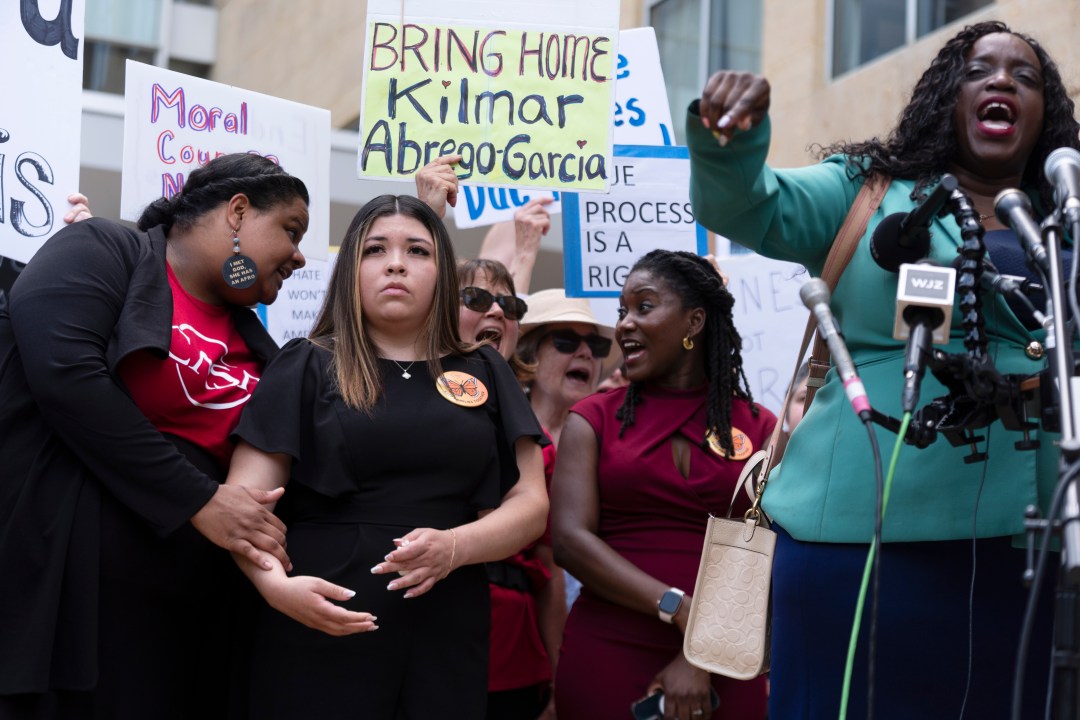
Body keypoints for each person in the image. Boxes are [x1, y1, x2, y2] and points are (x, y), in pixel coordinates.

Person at [688, 20, 1080, 718]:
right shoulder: (867, 193)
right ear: (944, 98)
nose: (1001, 83)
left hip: (1035, 544)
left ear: (1045, 110)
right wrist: (731, 142)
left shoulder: (1067, 219)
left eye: (1024, 78)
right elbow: (745, 204)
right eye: (978, 71)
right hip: (862, 539)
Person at [0, 153, 309, 718]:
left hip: (182, 623)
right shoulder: (102, 250)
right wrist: (200, 498)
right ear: (237, 212)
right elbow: (65, 373)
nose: (299, 253)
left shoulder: (271, 357)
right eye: (290, 229)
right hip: (68, 600)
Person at [223, 194, 549, 719]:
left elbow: (530, 503)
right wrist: (274, 587)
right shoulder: (305, 364)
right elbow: (244, 504)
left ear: (443, 272)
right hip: (319, 616)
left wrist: (456, 546)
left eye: (417, 250)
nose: (396, 262)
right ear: (351, 267)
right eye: (376, 249)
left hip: (446, 624)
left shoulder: (486, 369)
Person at [552, 249, 775, 720]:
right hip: (609, 647)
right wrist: (678, 609)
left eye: (644, 307)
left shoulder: (759, 427)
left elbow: (758, 561)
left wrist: (699, 653)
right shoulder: (593, 418)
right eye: (622, 311)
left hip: (721, 657)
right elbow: (570, 541)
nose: (625, 324)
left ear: (694, 322)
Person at [456, 258, 565, 720]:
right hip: (426, 636)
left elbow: (549, 570)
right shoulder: (396, 406)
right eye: (476, 300)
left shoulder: (534, 446)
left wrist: (561, 682)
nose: (497, 312)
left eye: (510, 304)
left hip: (514, 658)